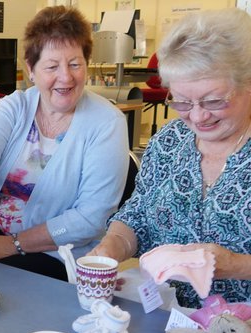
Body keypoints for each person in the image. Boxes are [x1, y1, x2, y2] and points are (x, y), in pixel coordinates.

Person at [0, 6, 129, 281]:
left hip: (57, 252)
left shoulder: (107, 122)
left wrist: (14, 245)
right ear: (31, 69)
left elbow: (90, 219)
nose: (66, 77)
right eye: (52, 66)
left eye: (75, 64)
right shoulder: (14, 106)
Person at [90, 8, 251, 308]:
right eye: (183, 101)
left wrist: (237, 265)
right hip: (167, 316)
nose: (199, 116)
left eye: (214, 100)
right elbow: (136, 215)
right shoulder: (170, 140)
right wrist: (112, 246)